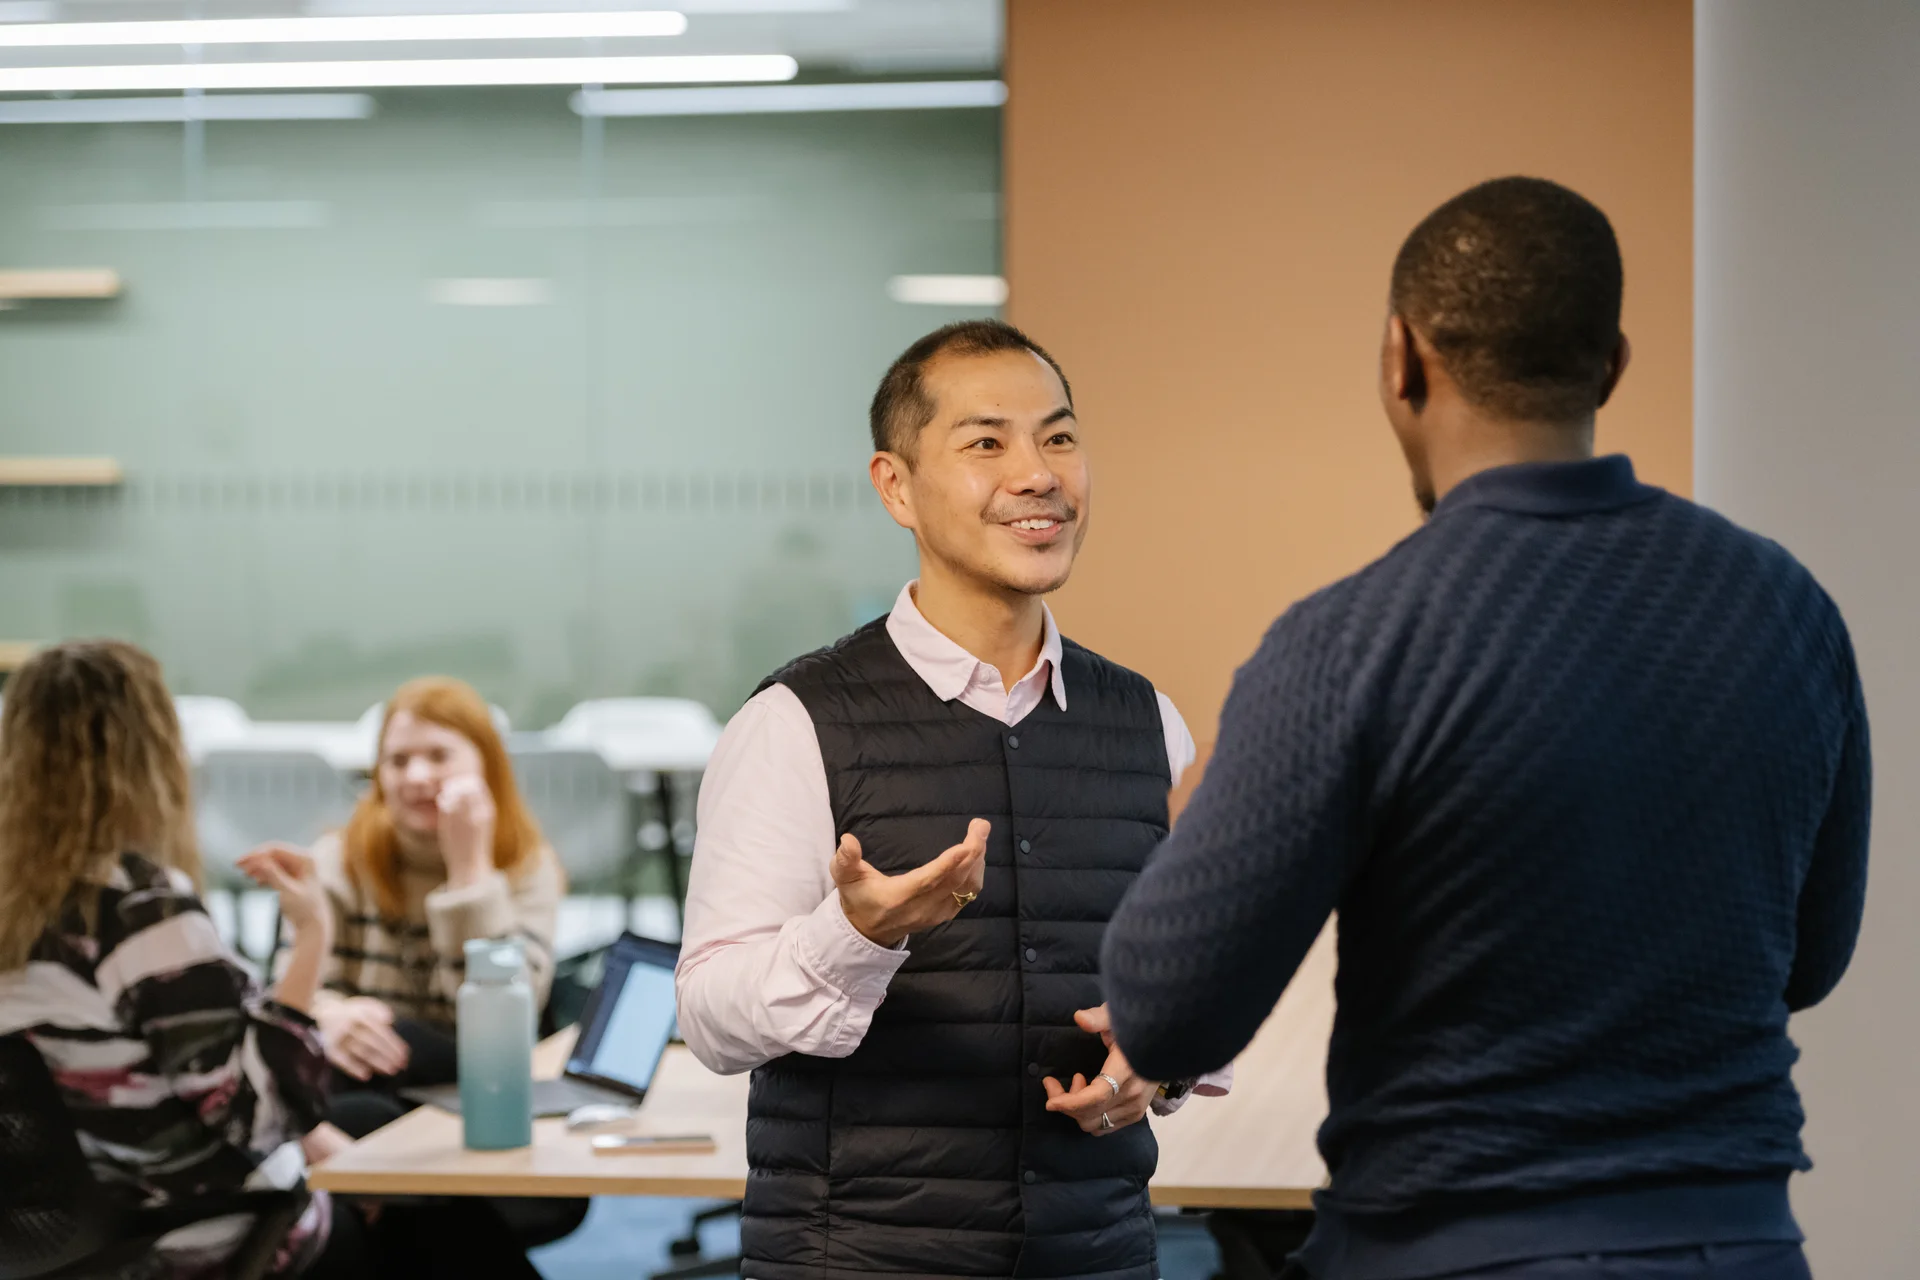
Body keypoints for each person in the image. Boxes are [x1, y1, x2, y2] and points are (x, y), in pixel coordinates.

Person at [1101, 176, 1870, 1280]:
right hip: (1739, 1247)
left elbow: (1167, 1013)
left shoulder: (1349, 642)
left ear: (1399, 359)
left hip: (1452, 1249)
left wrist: (1203, 807)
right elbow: (1810, 957)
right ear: (1610, 363)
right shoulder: (1790, 609)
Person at [677, 319, 1229, 1280]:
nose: (1037, 473)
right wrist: (857, 935)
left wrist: (1163, 1059)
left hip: (1094, 1253)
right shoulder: (793, 721)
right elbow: (712, 1019)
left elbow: (1193, 979)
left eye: (1058, 438)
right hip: (857, 1256)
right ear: (895, 485)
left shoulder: (1148, 722)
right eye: (986, 443)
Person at [0, 640, 345, 1278]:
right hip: (213, 1234)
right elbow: (262, 1118)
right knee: (437, 1222)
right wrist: (312, 936)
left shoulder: (20, 904)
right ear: (151, 751)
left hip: (89, 1235)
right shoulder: (138, 912)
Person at [263, 675, 576, 1269]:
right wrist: (332, 1015)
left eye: (439, 756)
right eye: (398, 760)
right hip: (364, 1094)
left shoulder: (527, 867)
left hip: (483, 1096)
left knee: (371, 1110)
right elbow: (291, 993)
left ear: (486, 766)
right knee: (366, 1120)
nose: (415, 777)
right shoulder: (341, 859)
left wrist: (469, 871)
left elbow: (508, 1008)